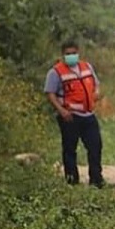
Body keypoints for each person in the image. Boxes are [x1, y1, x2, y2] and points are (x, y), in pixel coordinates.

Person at [44, 40, 105, 187]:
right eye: (68, 54)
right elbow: (50, 93)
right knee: (70, 149)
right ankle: (72, 181)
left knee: (95, 146)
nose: (71, 56)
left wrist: (96, 93)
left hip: (88, 114)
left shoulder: (86, 67)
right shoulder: (56, 72)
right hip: (70, 116)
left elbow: (96, 84)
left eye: (73, 53)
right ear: (63, 55)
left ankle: (96, 180)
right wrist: (62, 111)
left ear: (78, 52)